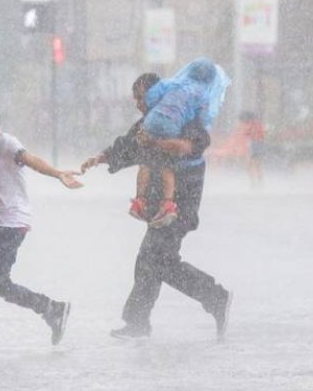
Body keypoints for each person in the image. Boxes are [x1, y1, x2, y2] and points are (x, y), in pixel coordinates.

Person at [81, 73, 232, 341]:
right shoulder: (147, 125)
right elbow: (127, 146)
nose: (138, 104)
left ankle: (213, 297)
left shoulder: (187, 121)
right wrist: (101, 158)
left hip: (179, 208)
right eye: (136, 99)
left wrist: (156, 144)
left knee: (156, 262)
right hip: (159, 209)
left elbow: (189, 146)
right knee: (153, 261)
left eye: (142, 98)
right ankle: (143, 321)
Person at [0, 100, 81, 351]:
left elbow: (31, 159)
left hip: (12, 222)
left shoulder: (8, 144)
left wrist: (58, 174)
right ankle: (52, 309)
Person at [130, 58, 230, 228]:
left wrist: (158, 109)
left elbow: (152, 95)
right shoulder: (203, 94)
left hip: (152, 121)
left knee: (145, 163)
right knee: (168, 166)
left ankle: (139, 201)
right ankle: (168, 204)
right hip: (173, 125)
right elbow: (202, 118)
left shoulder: (173, 84)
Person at [239, 111, 265, 186]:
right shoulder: (257, 124)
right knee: (257, 165)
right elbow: (261, 134)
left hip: (255, 145)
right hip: (258, 145)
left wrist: (249, 134)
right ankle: (258, 181)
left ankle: (255, 182)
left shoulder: (253, 125)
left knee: (252, 165)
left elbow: (248, 133)